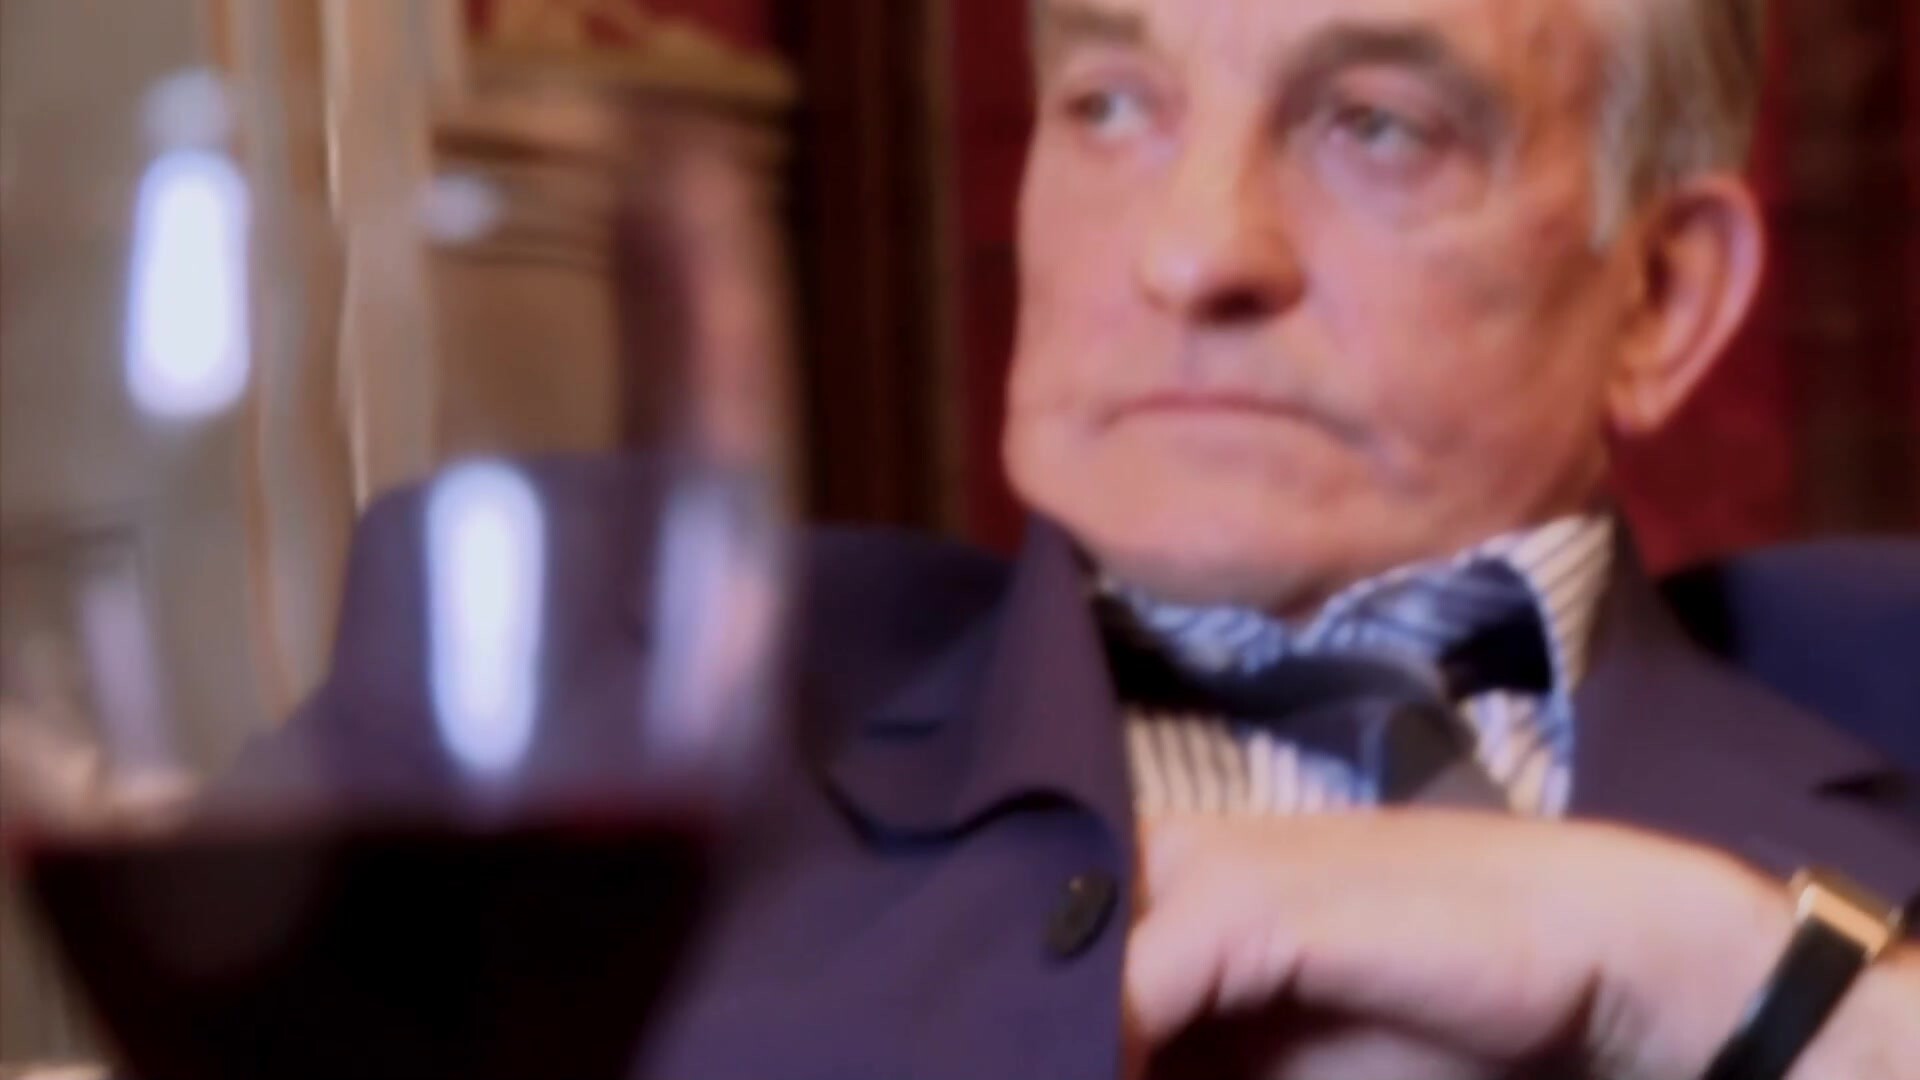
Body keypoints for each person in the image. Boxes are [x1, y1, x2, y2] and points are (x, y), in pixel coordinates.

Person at [263, 0, 1920, 1076]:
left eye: (1378, 125)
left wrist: (1717, 976)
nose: (1191, 254)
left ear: (1663, 297)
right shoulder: (595, 676)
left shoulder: (1886, 684)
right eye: (1112, 105)